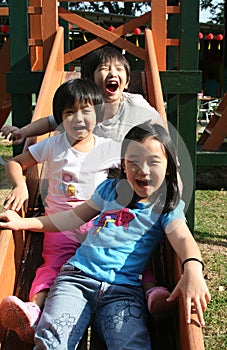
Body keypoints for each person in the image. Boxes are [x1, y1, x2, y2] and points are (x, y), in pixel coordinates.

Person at [0, 122, 211, 350]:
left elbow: (183, 238)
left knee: (131, 344)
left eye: (153, 162)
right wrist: (23, 222)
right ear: (123, 164)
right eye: (134, 162)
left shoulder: (166, 206)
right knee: (52, 340)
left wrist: (192, 269)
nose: (143, 170)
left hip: (123, 292)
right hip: (77, 280)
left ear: (169, 166)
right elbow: (70, 218)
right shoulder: (110, 190)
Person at [0, 78, 121, 343]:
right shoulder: (53, 145)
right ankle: (34, 310)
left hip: (96, 225)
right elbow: (15, 163)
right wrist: (20, 185)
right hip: (58, 226)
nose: (78, 119)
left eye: (86, 111)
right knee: (52, 266)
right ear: (60, 118)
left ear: (98, 113)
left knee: (118, 254)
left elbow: (136, 164)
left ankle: (148, 289)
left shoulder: (107, 148)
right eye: (69, 113)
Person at [0, 45, 165, 147]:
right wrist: (23, 132)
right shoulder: (84, 107)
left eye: (119, 69)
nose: (113, 73)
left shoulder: (135, 105)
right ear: (88, 80)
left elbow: (160, 126)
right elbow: (51, 122)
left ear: (127, 81)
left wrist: (169, 156)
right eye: (104, 68)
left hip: (124, 173)